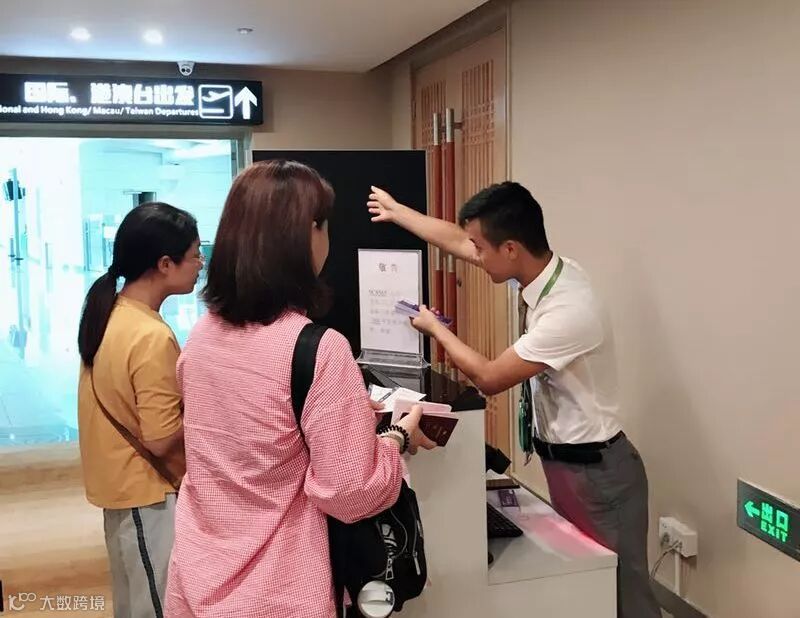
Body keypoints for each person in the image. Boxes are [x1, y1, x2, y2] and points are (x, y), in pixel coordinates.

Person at [367, 182, 661, 618]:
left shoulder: (569, 310)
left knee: (624, 596)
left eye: (480, 248)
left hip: (599, 473)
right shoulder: (540, 270)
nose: (473, 254)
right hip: (565, 464)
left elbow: (488, 378)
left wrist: (435, 329)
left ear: (510, 249)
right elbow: (456, 240)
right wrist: (397, 211)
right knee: (586, 587)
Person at [166, 160, 436, 618]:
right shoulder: (318, 349)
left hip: (197, 575)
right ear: (309, 233)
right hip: (279, 589)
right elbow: (350, 492)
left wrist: (348, 419)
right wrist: (396, 439)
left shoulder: (202, 336)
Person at [77, 202, 203, 618]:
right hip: (148, 493)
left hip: (122, 488)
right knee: (156, 604)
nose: (201, 264)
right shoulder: (150, 335)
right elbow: (161, 438)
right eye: (194, 254)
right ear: (165, 264)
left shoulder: (111, 315)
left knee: (133, 601)